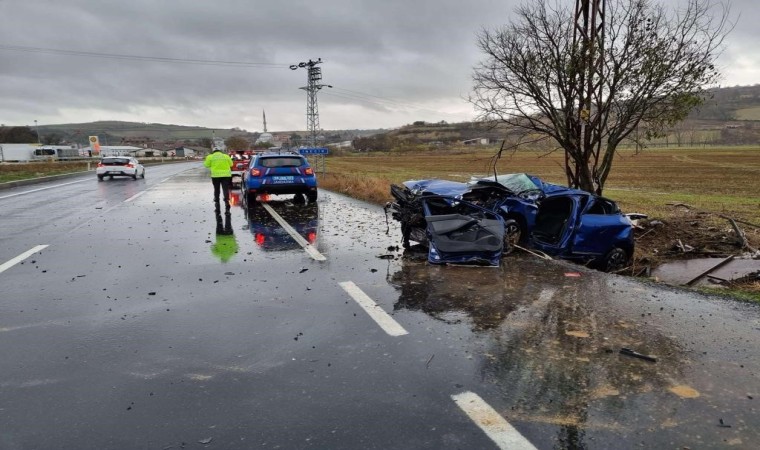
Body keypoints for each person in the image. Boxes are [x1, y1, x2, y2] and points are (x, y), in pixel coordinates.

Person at [203, 149, 234, 213]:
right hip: (226, 175)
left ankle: (217, 199)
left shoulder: (210, 156)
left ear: (213, 152)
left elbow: (206, 165)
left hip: (215, 176)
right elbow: (231, 164)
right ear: (220, 152)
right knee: (225, 189)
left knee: (216, 188)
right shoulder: (226, 156)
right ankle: (226, 200)